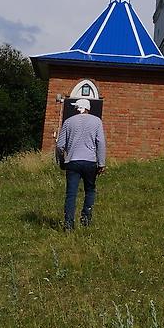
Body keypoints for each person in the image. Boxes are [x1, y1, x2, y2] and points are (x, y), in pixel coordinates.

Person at [55, 97, 106, 230]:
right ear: (88, 108)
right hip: (90, 161)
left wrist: (61, 161)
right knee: (90, 190)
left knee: (71, 193)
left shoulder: (68, 122)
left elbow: (60, 146)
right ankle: (86, 218)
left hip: (72, 161)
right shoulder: (96, 121)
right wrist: (101, 163)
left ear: (78, 108)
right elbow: (100, 142)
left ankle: (68, 224)